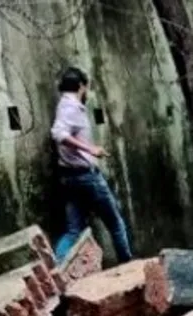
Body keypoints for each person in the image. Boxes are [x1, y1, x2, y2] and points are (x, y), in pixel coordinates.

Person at [50, 67, 133, 264]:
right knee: (115, 223)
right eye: (86, 87)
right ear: (81, 86)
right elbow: (59, 134)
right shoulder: (71, 107)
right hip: (86, 177)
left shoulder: (64, 105)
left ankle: (57, 269)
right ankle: (129, 266)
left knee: (73, 231)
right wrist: (90, 149)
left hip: (69, 178)